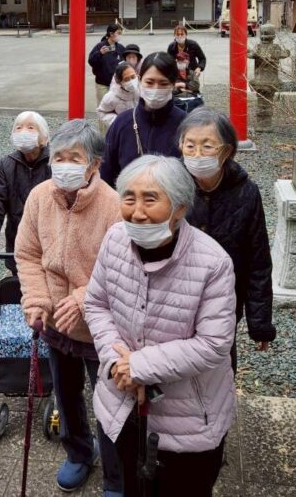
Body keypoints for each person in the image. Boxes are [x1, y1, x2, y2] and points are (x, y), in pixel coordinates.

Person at [85, 155, 237, 497]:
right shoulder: (114, 239)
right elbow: (96, 304)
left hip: (187, 420)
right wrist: (118, 364)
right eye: (129, 198)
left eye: (150, 199)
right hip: (123, 404)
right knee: (131, 486)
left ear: (180, 208)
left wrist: (140, 367)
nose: (137, 212)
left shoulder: (213, 263)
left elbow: (214, 343)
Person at [14, 120, 123, 496]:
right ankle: (78, 452)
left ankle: (116, 475)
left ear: (94, 164)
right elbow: (28, 254)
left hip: (100, 327)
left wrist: (81, 299)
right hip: (55, 322)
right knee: (66, 392)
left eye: (74, 158)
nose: (64, 165)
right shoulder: (40, 197)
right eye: (58, 157)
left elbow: (121, 270)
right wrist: (37, 300)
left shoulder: (113, 205)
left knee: (111, 403)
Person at [178, 108, 275, 371]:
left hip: (225, 301)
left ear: (227, 151)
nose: (197, 154)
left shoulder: (246, 193)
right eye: (190, 145)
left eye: (207, 146)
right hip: (175, 299)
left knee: (219, 370)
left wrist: (260, 324)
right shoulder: (171, 185)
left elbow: (258, 260)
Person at [100, 52, 187, 187]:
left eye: (163, 83)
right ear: (140, 80)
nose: (155, 89)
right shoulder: (122, 123)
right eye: (149, 82)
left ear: (173, 83)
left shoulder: (186, 124)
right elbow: (106, 174)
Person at [0, 111, 52, 273]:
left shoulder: (55, 163)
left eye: (30, 128)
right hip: (18, 244)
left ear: (44, 137)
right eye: (18, 128)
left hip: (50, 245)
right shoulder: (7, 164)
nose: (23, 132)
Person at [88, 23, 126, 105]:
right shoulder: (100, 46)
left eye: (121, 33)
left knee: (116, 106)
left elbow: (126, 63)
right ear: (111, 34)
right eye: (118, 33)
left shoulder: (120, 47)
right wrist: (100, 53)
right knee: (104, 105)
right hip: (103, 84)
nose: (120, 35)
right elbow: (91, 61)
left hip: (117, 84)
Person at [97, 61, 139, 129]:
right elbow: (102, 112)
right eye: (126, 79)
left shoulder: (142, 89)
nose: (131, 81)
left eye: (133, 77)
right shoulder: (111, 97)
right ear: (119, 82)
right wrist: (117, 121)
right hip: (123, 130)